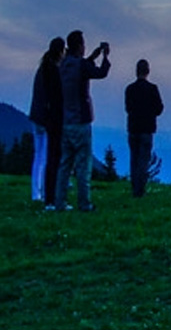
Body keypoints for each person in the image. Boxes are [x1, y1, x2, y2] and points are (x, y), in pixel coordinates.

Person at [57, 30, 111, 212]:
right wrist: (105, 56)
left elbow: (83, 64)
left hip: (65, 121)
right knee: (83, 166)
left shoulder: (64, 65)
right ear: (80, 46)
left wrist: (94, 54)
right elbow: (101, 73)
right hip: (81, 121)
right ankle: (84, 203)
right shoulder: (81, 66)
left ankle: (60, 202)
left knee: (64, 164)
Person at [30, 37, 65, 209]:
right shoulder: (52, 70)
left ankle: (35, 192)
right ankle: (44, 192)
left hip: (35, 116)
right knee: (45, 156)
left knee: (38, 156)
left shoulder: (41, 68)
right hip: (45, 118)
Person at [124, 60, 164, 198]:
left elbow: (127, 108)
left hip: (133, 128)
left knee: (134, 159)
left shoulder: (129, 89)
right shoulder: (153, 89)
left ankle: (134, 187)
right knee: (143, 160)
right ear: (148, 71)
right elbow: (159, 108)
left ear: (136, 71)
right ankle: (140, 190)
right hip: (147, 128)